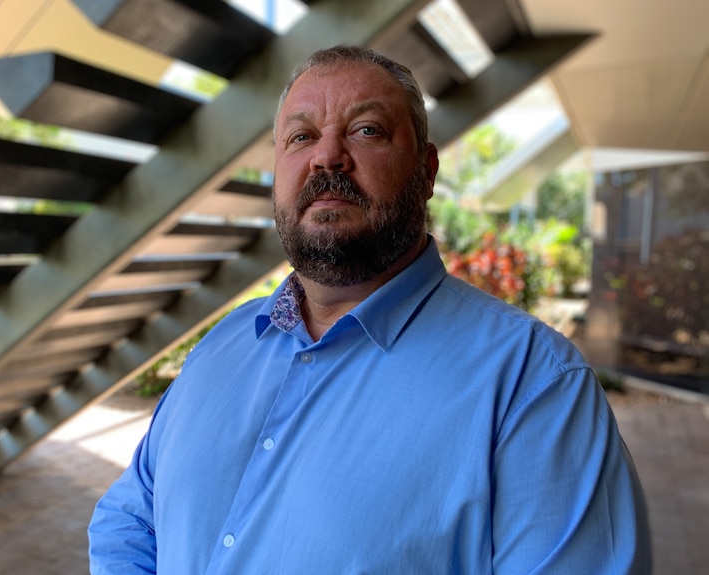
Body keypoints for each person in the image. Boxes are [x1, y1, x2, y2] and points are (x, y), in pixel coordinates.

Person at [88, 45, 651, 574]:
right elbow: (129, 518)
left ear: (427, 172)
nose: (327, 156)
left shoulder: (535, 385)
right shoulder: (224, 344)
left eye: (366, 130)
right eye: (300, 136)